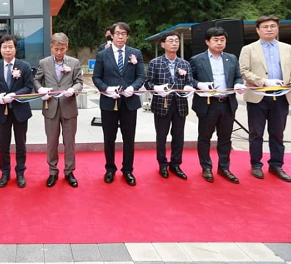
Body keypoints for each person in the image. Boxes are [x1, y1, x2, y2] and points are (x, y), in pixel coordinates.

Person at [239, 15, 291, 182]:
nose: (269, 29)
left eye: (273, 26)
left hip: (281, 97)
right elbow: (244, 71)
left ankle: (276, 165)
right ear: (258, 30)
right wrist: (264, 82)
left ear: (277, 28)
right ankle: (256, 164)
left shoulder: (288, 48)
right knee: (256, 133)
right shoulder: (248, 49)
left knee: (277, 133)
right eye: (265, 27)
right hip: (258, 96)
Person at [190, 27, 246, 184]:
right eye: (216, 40)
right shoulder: (197, 59)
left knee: (225, 138)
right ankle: (206, 167)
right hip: (208, 104)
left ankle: (224, 167)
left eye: (222, 40)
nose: (219, 43)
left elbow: (237, 76)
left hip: (227, 103)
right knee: (205, 137)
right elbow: (189, 79)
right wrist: (199, 84)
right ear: (207, 42)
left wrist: (238, 84)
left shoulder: (231, 58)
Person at [93, 22, 145, 186]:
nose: (120, 37)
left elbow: (141, 76)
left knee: (129, 138)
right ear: (112, 35)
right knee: (109, 137)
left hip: (129, 102)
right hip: (109, 103)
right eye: (118, 33)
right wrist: (107, 89)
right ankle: (110, 169)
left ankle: (128, 170)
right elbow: (96, 78)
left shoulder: (135, 53)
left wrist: (133, 87)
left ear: (127, 36)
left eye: (124, 34)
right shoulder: (102, 55)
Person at [34, 32, 83, 188]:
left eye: (62, 49)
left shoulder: (74, 62)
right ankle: (52, 171)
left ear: (67, 47)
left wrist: (74, 89)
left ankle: (69, 171)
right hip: (51, 107)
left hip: (69, 106)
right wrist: (40, 89)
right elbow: (36, 80)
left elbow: (79, 82)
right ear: (51, 47)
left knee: (69, 142)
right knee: (51, 142)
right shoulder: (44, 63)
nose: (59, 52)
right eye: (56, 49)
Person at [144, 32, 195, 180]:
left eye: (176, 41)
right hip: (162, 103)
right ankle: (162, 164)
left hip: (180, 104)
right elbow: (148, 83)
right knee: (161, 136)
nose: (174, 43)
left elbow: (190, 81)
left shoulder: (185, 64)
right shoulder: (155, 63)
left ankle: (175, 164)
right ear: (163, 44)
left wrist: (188, 88)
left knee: (179, 136)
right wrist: (157, 88)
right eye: (171, 40)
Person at [0, 35, 34, 188]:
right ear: (0, 49)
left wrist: (15, 94)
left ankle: (20, 172)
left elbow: (28, 87)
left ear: (15, 49)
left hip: (20, 111)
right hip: (3, 111)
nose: (7, 50)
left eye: (10, 47)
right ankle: (5, 172)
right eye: (4, 47)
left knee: (21, 144)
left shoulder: (24, 66)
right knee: (4, 144)